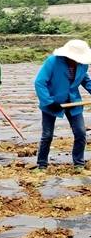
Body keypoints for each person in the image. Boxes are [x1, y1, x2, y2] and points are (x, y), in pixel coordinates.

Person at [34, 39, 91, 172]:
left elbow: (86, 80)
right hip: (53, 102)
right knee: (47, 135)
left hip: (73, 101)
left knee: (81, 133)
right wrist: (49, 102)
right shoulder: (53, 62)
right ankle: (42, 164)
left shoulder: (83, 65)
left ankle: (78, 164)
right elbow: (40, 82)